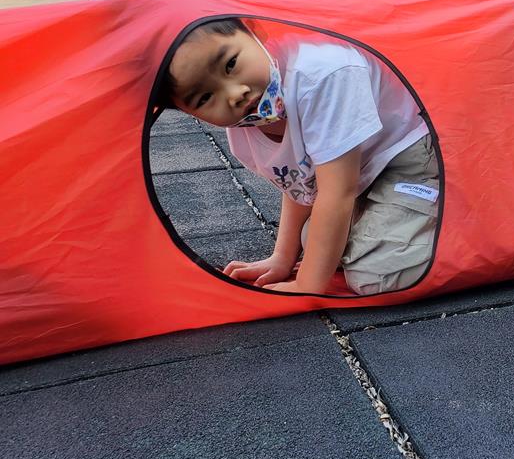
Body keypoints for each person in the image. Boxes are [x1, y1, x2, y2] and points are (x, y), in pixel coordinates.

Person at [155, 18, 438, 295]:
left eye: (231, 64)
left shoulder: (322, 76)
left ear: (254, 31)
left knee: (379, 275)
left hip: (408, 159)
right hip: (362, 171)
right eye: (204, 98)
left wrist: (308, 284)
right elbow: (301, 182)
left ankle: (449, 213)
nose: (235, 94)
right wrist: (283, 257)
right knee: (311, 237)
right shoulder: (251, 115)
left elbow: (337, 193)